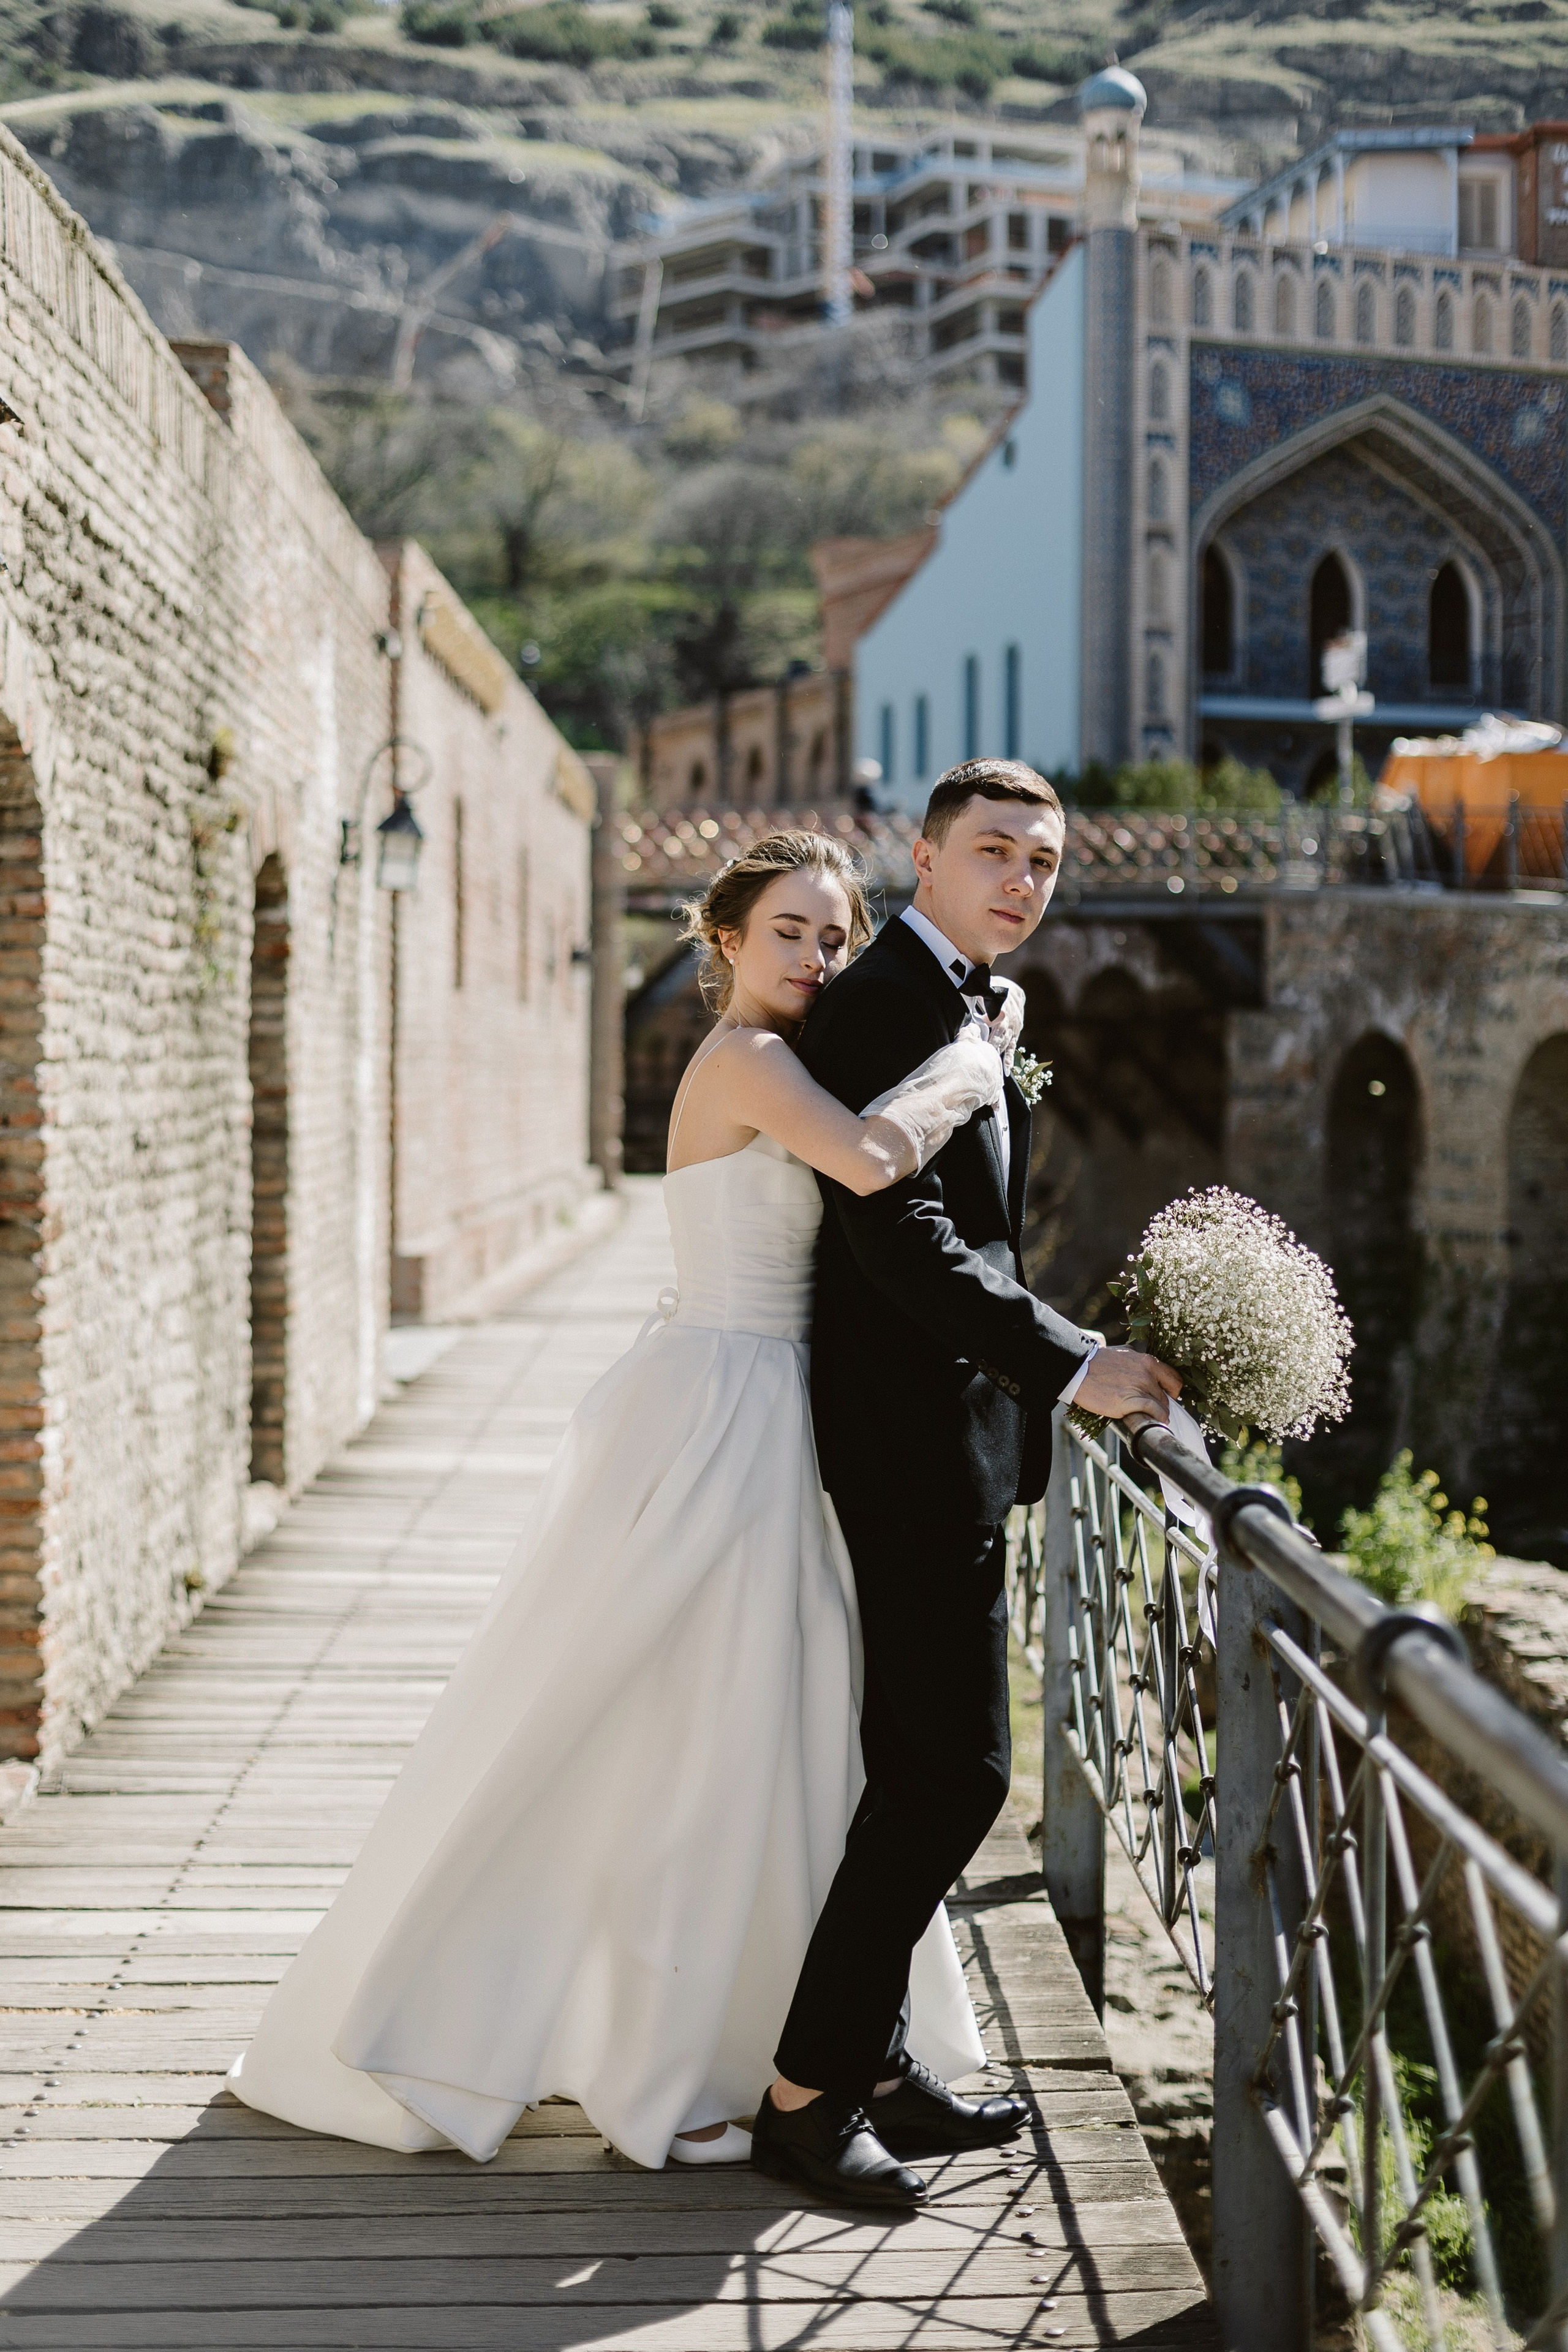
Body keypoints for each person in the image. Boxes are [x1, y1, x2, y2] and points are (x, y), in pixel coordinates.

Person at [225, 827, 1019, 2174]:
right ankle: (676, 2052)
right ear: (722, 939)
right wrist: (971, 1063)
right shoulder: (749, 1061)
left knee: (789, 1733)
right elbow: (876, 1162)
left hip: (770, 1401)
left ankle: (810, 2044)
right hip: (726, 1406)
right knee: (697, 1732)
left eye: (835, 937)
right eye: (790, 933)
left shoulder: (785, 1054)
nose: (818, 959)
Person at [751, 760, 1182, 2208]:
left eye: (1043, 864)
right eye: (992, 852)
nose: (1020, 882)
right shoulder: (880, 1002)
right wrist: (1074, 1365)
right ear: (921, 859)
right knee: (954, 1773)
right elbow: (904, 1243)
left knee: (918, 1763)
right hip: (903, 1442)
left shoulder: (970, 1002)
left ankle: (870, 2064)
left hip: (958, 1440)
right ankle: (803, 2097)